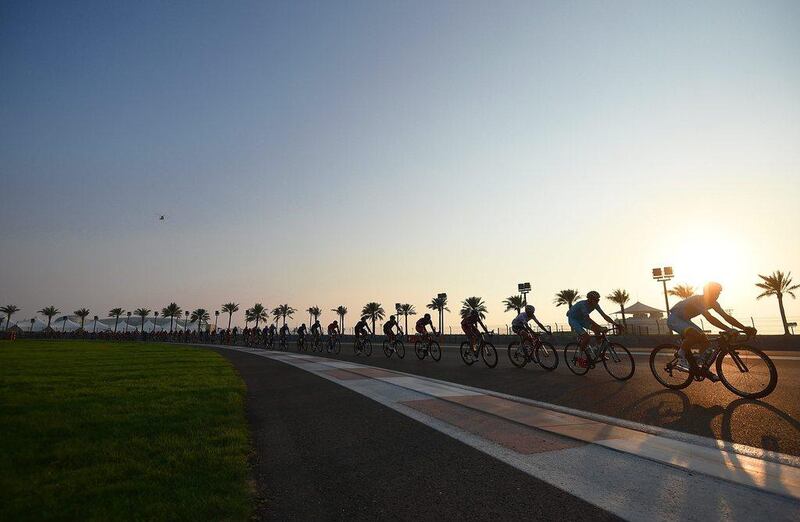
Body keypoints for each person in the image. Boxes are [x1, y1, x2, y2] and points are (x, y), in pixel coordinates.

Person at [667, 282, 756, 381]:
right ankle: (680, 357)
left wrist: (744, 328)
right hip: (674, 318)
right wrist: (728, 329)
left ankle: (700, 369)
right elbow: (710, 318)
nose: (716, 295)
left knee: (705, 340)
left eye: (718, 293)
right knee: (694, 335)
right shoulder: (698, 300)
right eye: (714, 293)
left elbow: (726, 317)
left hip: (685, 320)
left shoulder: (714, 304)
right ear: (706, 292)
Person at [566, 291, 622, 357]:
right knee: (587, 337)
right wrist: (599, 326)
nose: (597, 301)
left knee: (597, 330)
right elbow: (588, 318)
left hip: (582, 319)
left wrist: (616, 324)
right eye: (595, 300)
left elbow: (604, 316)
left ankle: (597, 350)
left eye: (598, 300)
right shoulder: (583, 305)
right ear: (589, 299)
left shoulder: (596, 305)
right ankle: (579, 356)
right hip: (574, 320)